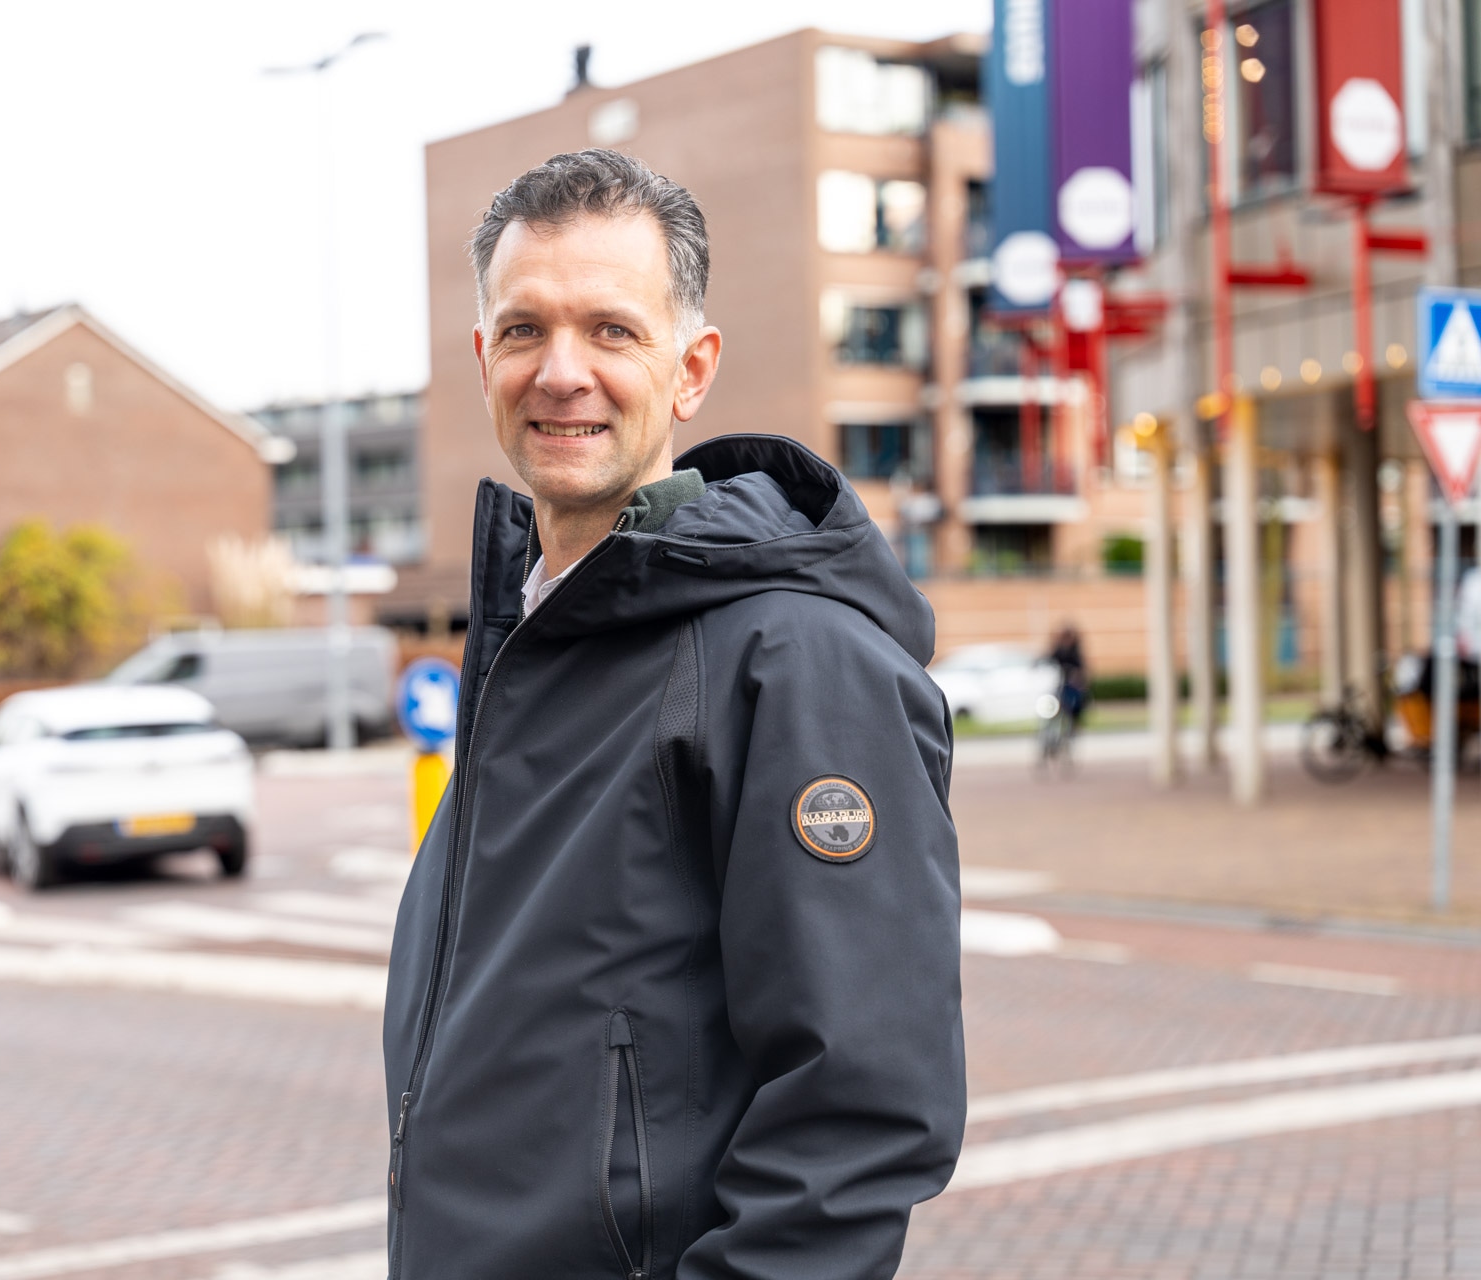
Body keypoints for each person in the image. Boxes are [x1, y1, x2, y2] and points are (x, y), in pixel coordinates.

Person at [383, 149, 963, 1280]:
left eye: (611, 329)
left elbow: (860, 1112)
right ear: (481, 358)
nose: (561, 372)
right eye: (523, 330)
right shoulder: (533, 643)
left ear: (691, 369)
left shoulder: (792, 661)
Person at [1047, 623, 1089, 727]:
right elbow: (1050, 659)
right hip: (1061, 682)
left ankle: (1074, 722)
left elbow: (1080, 666)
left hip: (1072, 684)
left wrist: (1076, 675)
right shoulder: (1059, 650)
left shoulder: (1075, 651)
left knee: (1074, 702)